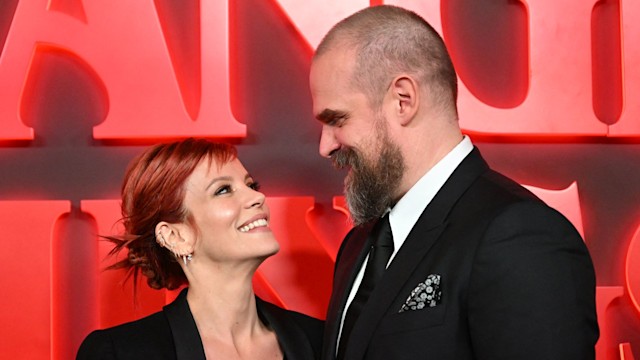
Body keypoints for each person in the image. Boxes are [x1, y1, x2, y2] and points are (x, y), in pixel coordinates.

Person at [309, 5, 598, 360]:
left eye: (337, 119)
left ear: (404, 100)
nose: (325, 146)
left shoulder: (519, 236)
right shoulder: (357, 245)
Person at [76, 138, 323, 360]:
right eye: (223, 190)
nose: (257, 198)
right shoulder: (120, 353)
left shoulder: (320, 341)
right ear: (175, 236)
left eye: (252, 185)